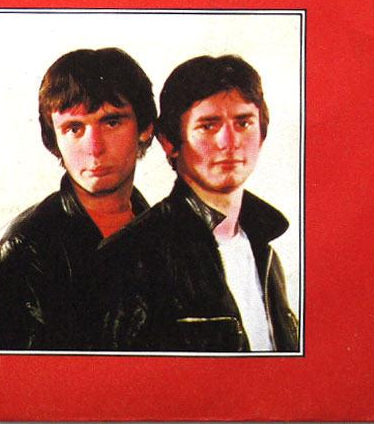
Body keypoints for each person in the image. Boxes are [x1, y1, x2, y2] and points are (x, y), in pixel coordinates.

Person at [100, 54, 299, 352]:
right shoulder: (130, 258)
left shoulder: (267, 253)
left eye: (243, 122)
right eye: (208, 126)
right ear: (169, 141)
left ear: (262, 135)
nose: (229, 141)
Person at [0, 47, 156, 350]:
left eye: (111, 122)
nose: (94, 147)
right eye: (74, 128)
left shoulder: (166, 233)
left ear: (145, 128)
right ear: (54, 140)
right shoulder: (28, 246)